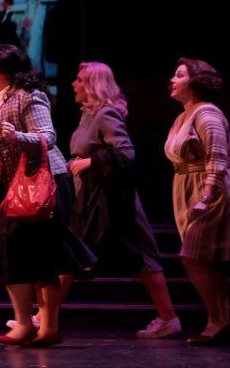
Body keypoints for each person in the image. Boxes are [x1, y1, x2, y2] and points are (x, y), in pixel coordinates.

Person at [0, 45, 95, 348]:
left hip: (40, 181)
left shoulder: (28, 96)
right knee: (10, 254)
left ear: (2, 68)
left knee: (42, 255)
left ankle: (48, 327)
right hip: (5, 182)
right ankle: (24, 322)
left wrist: (17, 137)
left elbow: (47, 136)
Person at [68, 61, 179, 338]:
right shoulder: (88, 116)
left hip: (114, 199)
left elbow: (126, 153)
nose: (73, 84)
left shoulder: (105, 115)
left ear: (93, 85)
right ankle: (42, 319)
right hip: (90, 197)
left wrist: (90, 162)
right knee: (71, 254)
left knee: (142, 255)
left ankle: (168, 318)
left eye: (79, 80)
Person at [164, 58, 230, 346]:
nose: (173, 80)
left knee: (192, 256)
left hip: (207, 189)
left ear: (196, 82)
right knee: (205, 260)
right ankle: (220, 319)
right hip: (185, 187)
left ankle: (218, 320)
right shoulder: (183, 116)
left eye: (180, 75)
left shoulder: (207, 113)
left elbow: (218, 156)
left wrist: (206, 195)